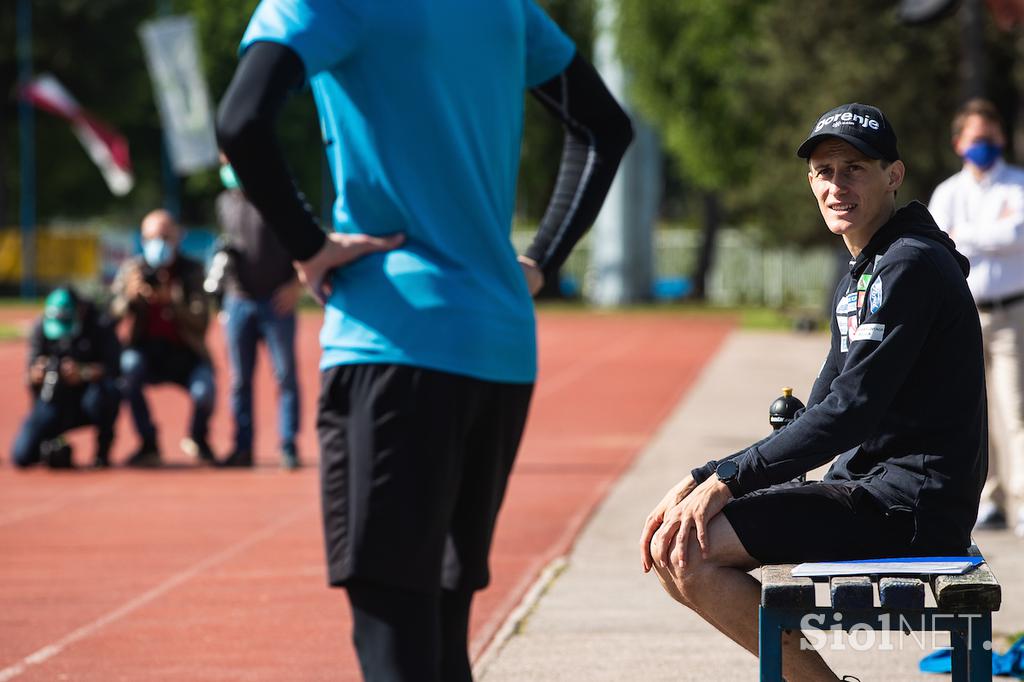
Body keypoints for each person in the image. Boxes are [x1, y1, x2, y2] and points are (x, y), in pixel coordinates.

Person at [216, 2, 633, 679]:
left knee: (393, 637)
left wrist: (308, 246)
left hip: (393, 343)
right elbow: (604, 129)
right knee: (441, 630)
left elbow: (239, 121)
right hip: (498, 348)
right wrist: (541, 260)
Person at [640, 103, 986, 682]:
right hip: (871, 493)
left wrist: (727, 479)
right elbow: (826, 407)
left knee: (691, 551)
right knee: (677, 548)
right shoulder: (867, 268)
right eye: (824, 171)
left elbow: (847, 416)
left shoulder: (910, 266)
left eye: (854, 168)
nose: (836, 185)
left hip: (910, 507)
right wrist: (704, 477)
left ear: (893, 176)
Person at [929, 98, 1024, 536]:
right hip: (962, 318)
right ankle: (986, 499)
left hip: (1011, 316)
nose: (983, 145)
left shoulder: (1017, 186)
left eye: (989, 138)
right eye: (975, 139)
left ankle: (1021, 502)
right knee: (973, 413)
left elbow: (1018, 234)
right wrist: (992, 235)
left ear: (1001, 139)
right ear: (958, 143)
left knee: (1016, 410)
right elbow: (938, 243)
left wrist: (964, 235)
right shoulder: (948, 192)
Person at [208, 156, 302, 469]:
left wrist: (296, 285)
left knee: (285, 376)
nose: (230, 168)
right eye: (225, 163)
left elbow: (307, 243)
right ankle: (243, 446)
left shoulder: (279, 195)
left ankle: (288, 444)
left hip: (276, 301)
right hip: (238, 301)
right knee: (239, 380)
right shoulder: (225, 202)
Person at [111, 209, 217, 467]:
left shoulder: (192, 270)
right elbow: (111, 315)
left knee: (205, 389)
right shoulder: (132, 270)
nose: (159, 243)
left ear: (178, 237)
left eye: (165, 236)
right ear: (143, 240)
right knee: (126, 369)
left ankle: (198, 438)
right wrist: (130, 298)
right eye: (152, 237)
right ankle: (148, 443)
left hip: (185, 354)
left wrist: (172, 302)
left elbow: (203, 319)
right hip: (145, 352)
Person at [12, 287, 121, 469]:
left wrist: (83, 372)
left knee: (106, 393)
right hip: (54, 397)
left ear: (79, 311)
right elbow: (30, 375)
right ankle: (51, 446)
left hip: (88, 398)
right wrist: (36, 375)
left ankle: (102, 452)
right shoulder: (41, 327)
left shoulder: (100, 324)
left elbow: (114, 370)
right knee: (22, 455)